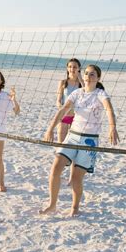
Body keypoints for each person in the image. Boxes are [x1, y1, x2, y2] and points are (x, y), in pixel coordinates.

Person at [40, 64, 119, 217]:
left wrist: (112, 127)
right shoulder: (77, 93)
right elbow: (63, 110)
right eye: (87, 74)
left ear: (98, 78)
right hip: (72, 136)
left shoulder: (100, 94)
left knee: (76, 178)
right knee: (56, 168)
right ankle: (52, 205)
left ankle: (75, 207)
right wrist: (50, 129)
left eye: (92, 75)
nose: (88, 77)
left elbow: (109, 109)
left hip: (89, 141)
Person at [56, 58, 83, 184]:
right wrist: (62, 109)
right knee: (61, 145)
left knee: (74, 147)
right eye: (70, 67)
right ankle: (59, 173)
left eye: (75, 67)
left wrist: (81, 79)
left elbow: (88, 93)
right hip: (64, 116)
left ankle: (72, 178)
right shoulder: (63, 82)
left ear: (79, 69)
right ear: (67, 68)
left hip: (77, 118)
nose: (72, 69)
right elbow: (58, 99)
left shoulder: (81, 83)